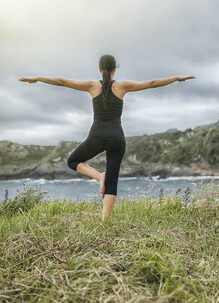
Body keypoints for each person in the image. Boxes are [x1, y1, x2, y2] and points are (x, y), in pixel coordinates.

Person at [19, 54, 196, 221]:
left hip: (96, 137)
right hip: (117, 139)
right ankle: (105, 221)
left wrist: (38, 78)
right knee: (112, 180)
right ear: (114, 70)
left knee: (73, 161)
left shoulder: (91, 86)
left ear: (99, 69)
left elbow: (63, 82)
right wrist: (176, 78)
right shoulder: (122, 86)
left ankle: (98, 176)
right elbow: (152, 83)